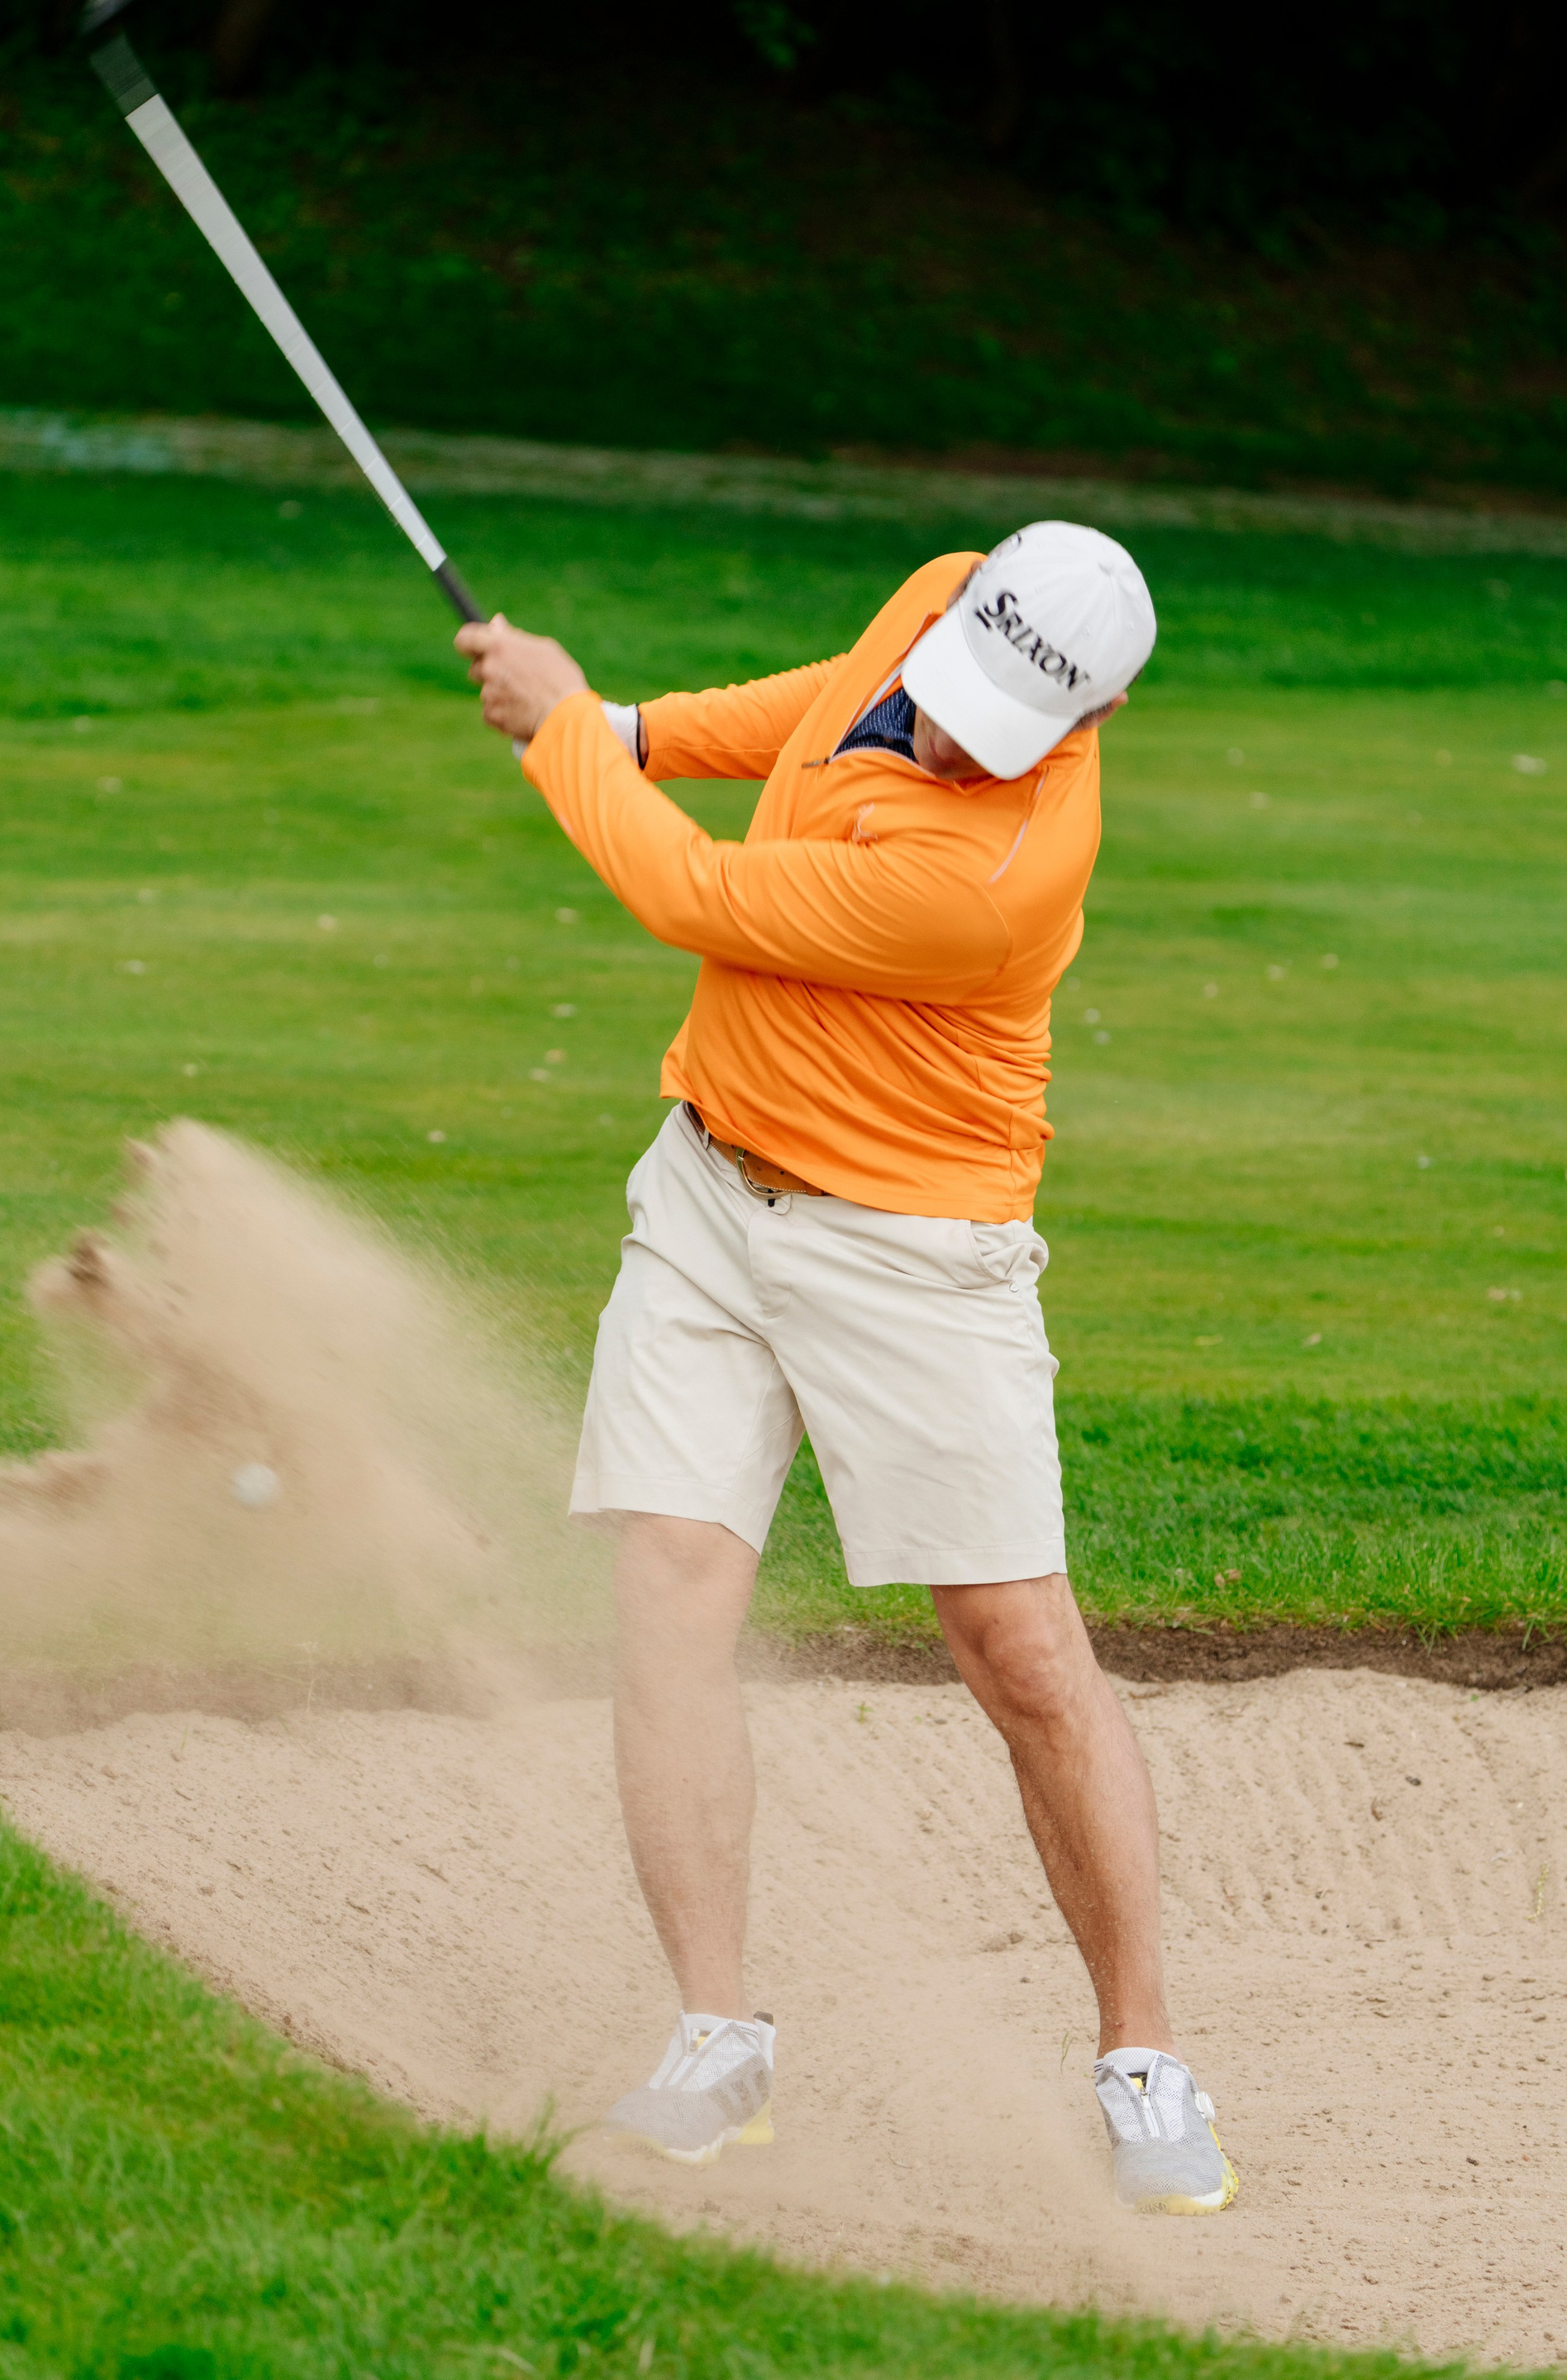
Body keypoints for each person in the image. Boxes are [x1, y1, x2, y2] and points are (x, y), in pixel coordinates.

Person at [456, 523, 1239, 2216]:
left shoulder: (996, 877)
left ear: (1093, 720)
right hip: (710, 1193)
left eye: (997, 730)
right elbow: (833, 701)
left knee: (1017, 1646)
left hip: (914, 1254)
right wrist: (643, 730)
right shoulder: (944, 594)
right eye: (952, 689)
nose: (947, 737)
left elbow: (692, 898)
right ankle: (715, 2038)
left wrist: (566, 728)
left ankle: (1143, 2054)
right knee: (669, 1587)